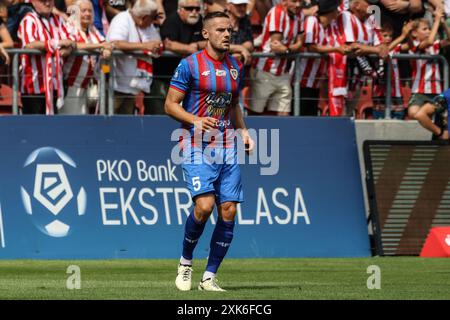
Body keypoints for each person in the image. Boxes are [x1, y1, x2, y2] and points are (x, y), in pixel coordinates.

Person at [164, 11, 254, 292]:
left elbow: (233, 104)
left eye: (229, 30)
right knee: (204, 207)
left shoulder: (234, 67)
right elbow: (170, 105)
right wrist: (195, 120)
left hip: (226, 145)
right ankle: (186, 261)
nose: (227, 35)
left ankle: (210, 276)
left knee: (228, 210)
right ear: (206, 34)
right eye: (220, 30)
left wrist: (243, 130)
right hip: (195, 144)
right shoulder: (189, 65)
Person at [17, 0, 77, 114]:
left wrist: (68, 49)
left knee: (51, 127)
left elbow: (72, 39)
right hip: (33, 87)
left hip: (54, 85)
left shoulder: (57, 19)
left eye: (50, 0)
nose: (47, 3)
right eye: (43, 1)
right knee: (34, 127)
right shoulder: (29, 20)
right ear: (33, 2)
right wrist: (57, 43)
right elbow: (29, 45)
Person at [106, 0, 162, 114]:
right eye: (153, 17)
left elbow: (157, 43)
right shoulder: (122, 19)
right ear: (144, 17)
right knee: (109, 120)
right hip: (116, 84)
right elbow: (116, 43)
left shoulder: (148, 25)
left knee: (126, 124)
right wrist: (145, 46)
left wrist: (155, 46)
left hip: (134, 85)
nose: (154, 21)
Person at [249, 0, 303, 116]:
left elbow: (300, 44)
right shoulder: (276, 12)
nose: (298, 5)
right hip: (265, 71)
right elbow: (275, 46)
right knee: (256, 113)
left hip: (284, 73)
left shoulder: (299, 15)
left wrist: (287, 49)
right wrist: (292, 48)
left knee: (284, 114)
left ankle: (284, 134)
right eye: (294, 1)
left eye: (300, 1)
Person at [63, 0, 113, 114]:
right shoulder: (70, 26)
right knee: (72, 122)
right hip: (71, 87)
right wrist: (100, 46)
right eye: (83, 10)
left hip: (88, 86)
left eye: (90, 11)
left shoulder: (92, 29)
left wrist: (107, 49)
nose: (87, 14)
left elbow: (105, 43)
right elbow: (73, 44)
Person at [407, 7, 450, 119]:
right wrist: (436, 20)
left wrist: (442, 22)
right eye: (425, 29)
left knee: (437, 117)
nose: (429, 31)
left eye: (429, 29)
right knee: (413, 113)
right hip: (419, 91)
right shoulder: (414, 45)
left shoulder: (435, 45)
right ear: (415, 33)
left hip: (436, 90)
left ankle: (439, 133)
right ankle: (439, 133)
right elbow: (429, 41)